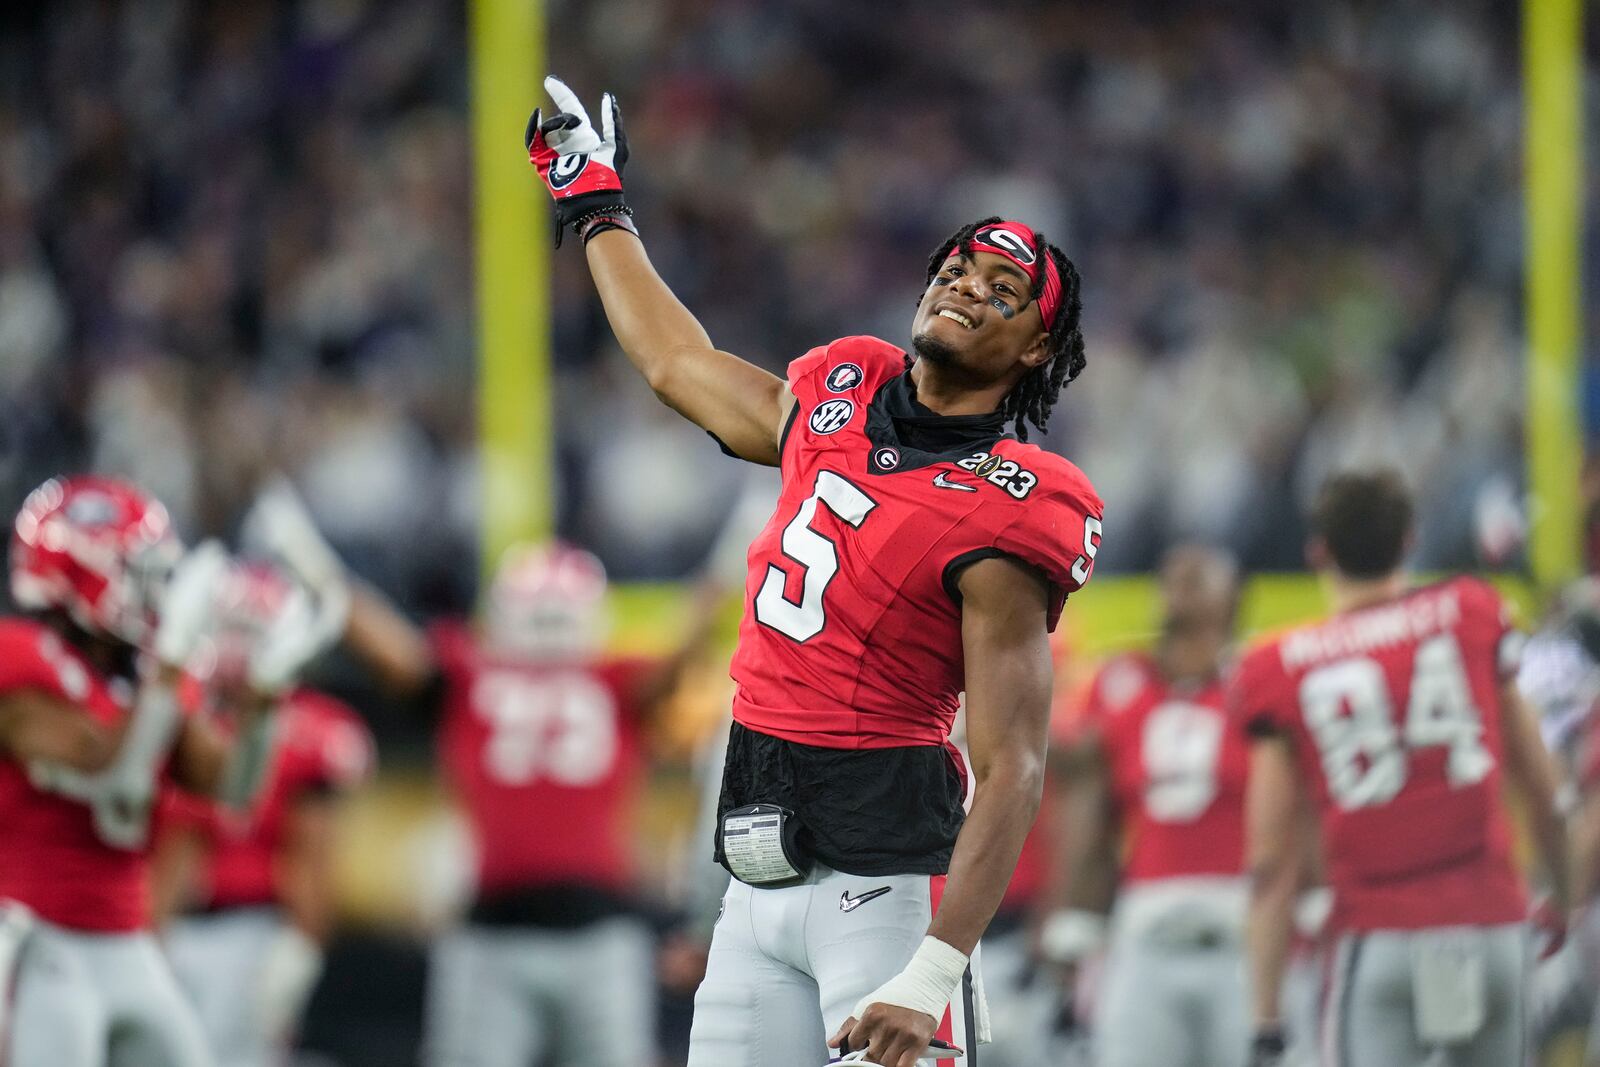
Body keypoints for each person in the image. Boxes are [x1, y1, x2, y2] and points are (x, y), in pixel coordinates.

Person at [525, 76, 1104, 1067]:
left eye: (1001, 293)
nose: (968, 288)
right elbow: (677, 363)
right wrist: (594, 201)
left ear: (1034, 346)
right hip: (756, 882)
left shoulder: (1016, 498)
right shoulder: (842, 389)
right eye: (960, 270)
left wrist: (930, 972)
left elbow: (1015, 765)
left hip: (885, 883)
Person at [249, 481, 716, 1067]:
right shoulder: (609, 679)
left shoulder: (478, 674)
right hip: (572, 932)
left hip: (519, 932)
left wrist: (312, 566)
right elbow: (686, 645)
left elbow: (388, 650)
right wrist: (731, 562)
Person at [1235, 469, 1569, 1067]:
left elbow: (1270, 859)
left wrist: (1266, 1013)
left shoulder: (1279, 664)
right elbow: (1542, 782)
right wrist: (1563, 896)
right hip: (1490, 922)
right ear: (1410, 540)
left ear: (1320, 552)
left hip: (1377, 934)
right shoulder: (1471, 609)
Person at [0, 476, 316, 1067]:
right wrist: (169, 664)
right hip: (36, 941)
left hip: (127, 941)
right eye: (140, 573)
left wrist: (264, 701)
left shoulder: (148, 674)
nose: (157, 594)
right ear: (83, 573)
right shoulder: (18, 654)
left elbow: (233, 789)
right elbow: (108, 773)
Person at [153, 563, 375, 1067]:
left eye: (250, 631)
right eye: (227, 628)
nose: (236, 648)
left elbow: (314, 857)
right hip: (170, 924)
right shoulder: (178, 709)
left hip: (252, 927)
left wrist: (301, 947)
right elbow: (174, 845)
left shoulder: (313, 730)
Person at [1047, 545, 1249, 1067]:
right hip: (1145, 926)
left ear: (1232, 599)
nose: (1181, 580)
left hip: (1242, 928)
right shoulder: (1123, 682)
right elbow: (1090, 809)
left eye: (1200, 573)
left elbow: (1290, 808)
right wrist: (1075, 911)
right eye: (1174, 575)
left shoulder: (1254, 685)